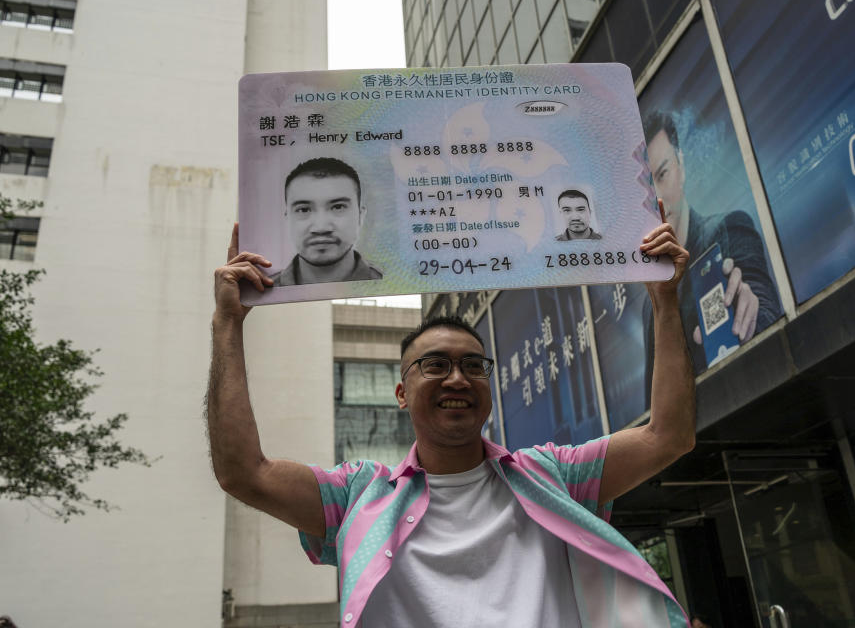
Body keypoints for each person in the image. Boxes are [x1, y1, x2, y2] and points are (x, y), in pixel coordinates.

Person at [206, 214, 695, 626]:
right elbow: (243, 473)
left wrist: (664, 302)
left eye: (473, 366)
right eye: (435, 365)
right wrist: (227, 323)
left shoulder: (554, 476)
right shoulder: (355, 498)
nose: (457, 379)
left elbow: (666, 437)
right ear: (401, 393)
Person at [642, 110, 780, 378]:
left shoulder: (728, 229)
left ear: (681, 167)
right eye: (647, 190)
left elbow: (764, 306)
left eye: (662, 174)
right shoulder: (651, 305)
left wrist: (749, 316)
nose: (657, 199)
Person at [271, 157, 382, 285]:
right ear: (287, 219)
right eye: (304, 210)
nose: (321, 227)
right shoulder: (261, 292)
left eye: (338, 207)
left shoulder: (390, 286)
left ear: (360, 216)